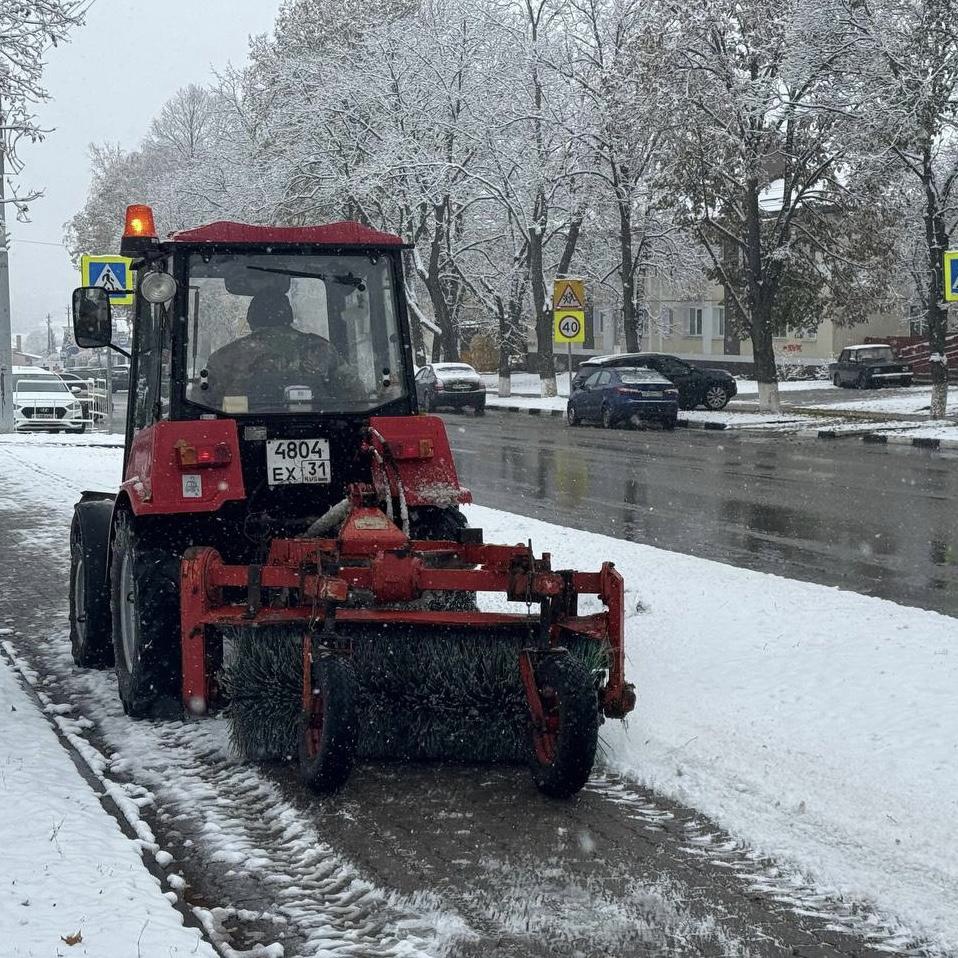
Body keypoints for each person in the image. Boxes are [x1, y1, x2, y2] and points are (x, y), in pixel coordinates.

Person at [202, 291, 365, 410]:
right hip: (323, 427)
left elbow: (206, 402)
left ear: (251, 320)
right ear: (288, 317)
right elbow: (355, 393)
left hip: (242, 432)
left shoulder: (227, 355)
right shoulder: (321, 348)